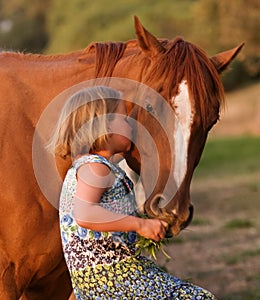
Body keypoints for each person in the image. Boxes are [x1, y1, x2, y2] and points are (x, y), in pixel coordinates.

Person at [49, 86, 216, 299]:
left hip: (97, 279)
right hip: (114, 276)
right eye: (124, 118)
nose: (131, 124)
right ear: (103, 125)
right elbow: (84, 213)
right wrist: (140, 224)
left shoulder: (85, 167)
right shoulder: (95, 168)